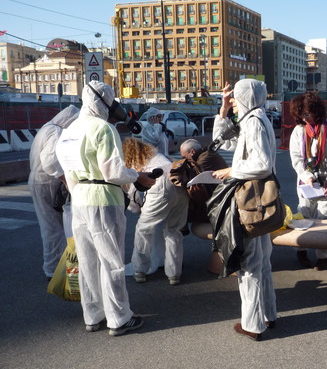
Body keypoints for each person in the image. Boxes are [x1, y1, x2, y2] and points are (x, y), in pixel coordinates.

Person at [56, 81, 155, 336]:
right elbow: (113, 172)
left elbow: (68, 172)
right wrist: (136, 176)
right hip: (104, 199)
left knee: (88, 262)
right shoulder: (104, 128)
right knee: (111, 261)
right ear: (104, 102)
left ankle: (92, 315)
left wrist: (79, 193)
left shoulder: (69, 130)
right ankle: (119, 318)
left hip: (79, 199)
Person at [211, 80, 277, 341]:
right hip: (261, 200)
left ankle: (252, 324)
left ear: (246, 98)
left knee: (250, 263)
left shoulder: (253, 121)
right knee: (262, 261)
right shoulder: (257, 118)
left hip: (252, 200)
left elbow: (262, 163)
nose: (234, 102)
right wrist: (223, 111)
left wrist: (231, 171)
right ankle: (268, 315)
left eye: (236, 98)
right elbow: (225, 143)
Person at [288, 92, 327, 270]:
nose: (304, 119)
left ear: (316, 111)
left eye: (306, 114)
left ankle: (324, 256)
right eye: (300, 115)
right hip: (307, 183)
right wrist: (307, 176)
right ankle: (301, 249)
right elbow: (296, 158)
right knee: (304, 213)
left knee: (325, 217)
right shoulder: (298, 131)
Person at [123, 137, 189, 285]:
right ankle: (174, 274)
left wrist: (136, 209)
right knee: (173, 230)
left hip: (161, 186)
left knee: (143, 229)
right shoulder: (158, 156)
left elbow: (133, 193)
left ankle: (140, 269)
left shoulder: (137, 164)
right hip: (180, 186)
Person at [29, 105, 79, 279]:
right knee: (53, 228)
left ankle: (55, 267)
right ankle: (53, 270)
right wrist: (66, 180)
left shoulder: (46, 128)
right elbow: (50, 161)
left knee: (51, 226)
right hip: (46, 183)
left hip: (39, 180)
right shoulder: (56, 132)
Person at [178, 138, 228, 223]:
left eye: (184, 157)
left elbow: (193, 174)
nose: (183, 160)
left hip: (221, 198)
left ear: (192, 152)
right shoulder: (206, 154)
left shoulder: (205, 158)